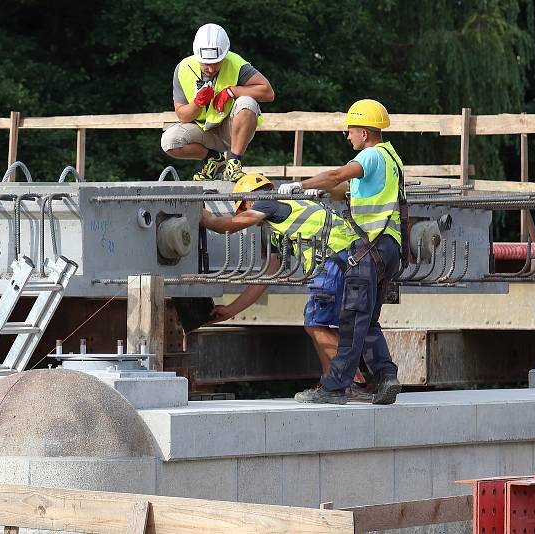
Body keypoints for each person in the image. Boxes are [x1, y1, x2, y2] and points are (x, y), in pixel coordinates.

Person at [200, 174, 371, 401]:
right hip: (347, 259)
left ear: (249, 199)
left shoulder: (266, 200)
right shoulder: (283, 215)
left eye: (245, 206)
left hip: (335, 260)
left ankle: (353, 383)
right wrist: (231, 310)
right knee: (315, 324)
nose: (250, 213)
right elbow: (268, 272)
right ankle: (333, 384)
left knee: (316, 324)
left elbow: (230, 225)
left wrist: (203, 217)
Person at [281, 99, 405, 405]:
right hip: (388, 249)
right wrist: (322, 189)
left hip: (368, 249)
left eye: (350, 130)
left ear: (364, 132)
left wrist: (299, 185)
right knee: (368, 320)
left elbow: (339, 176)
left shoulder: (371, 155)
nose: (347, 136)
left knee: (351, 319)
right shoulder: (392, 158)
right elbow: (346, 189)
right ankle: (385, 378)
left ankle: (334, 388)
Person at [161, 23, 274, 182]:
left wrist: (232, 91)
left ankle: (233, 163)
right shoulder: (183, 69)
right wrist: (197, 103)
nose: (211, 68)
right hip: (203, 131)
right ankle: (214, 159)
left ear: (225, 54)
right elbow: (182, 116)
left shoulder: (236, 64)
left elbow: (268, 92)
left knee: (247, 102)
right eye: (206, 63)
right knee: (169, 141)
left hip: (231, 130)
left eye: (216, 62)